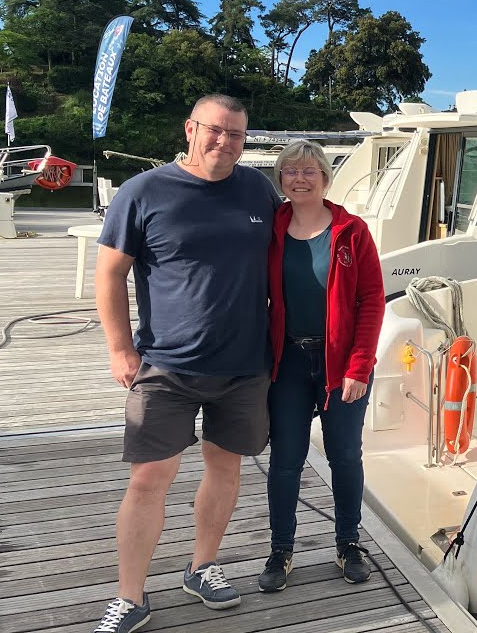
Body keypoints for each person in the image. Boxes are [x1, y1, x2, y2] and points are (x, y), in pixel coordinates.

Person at [92, 94, 281, 633]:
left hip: (245, 365)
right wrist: (119, 347)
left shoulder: (257, 190)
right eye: (215, 131)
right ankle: (130, 596)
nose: (225, 142)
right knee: (150, 477)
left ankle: (203, 565)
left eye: (237, 135)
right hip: (166, 365)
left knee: (225, 467)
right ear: (190, 128)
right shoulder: (144, 192)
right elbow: (110, 275)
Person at [258, 140, 385, 593]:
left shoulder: (352, 231)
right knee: (286, 459)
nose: (299, 178)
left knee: (345, 455)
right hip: (288, 361)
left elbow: (371, 301)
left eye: (310, 171)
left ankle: (348, 543)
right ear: (280, 178)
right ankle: (281, 548)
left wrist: (360, 367)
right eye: (290, 170)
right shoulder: (270, 228)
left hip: (341, 365)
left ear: (326, 178)